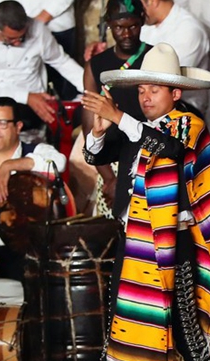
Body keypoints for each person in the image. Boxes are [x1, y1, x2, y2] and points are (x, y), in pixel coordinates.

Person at [81, 43, 210, 361]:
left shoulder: (188, 126)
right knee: (119, 333)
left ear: (175, 94)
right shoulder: (131, 129)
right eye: (142, 89)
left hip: (174, 246)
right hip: (133, 244)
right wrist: (97, 129)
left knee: (186, 332)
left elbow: (169, 148)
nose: (146, 96)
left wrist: (118, 118)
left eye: (155, 90)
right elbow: (98, 155)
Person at [0, 97, 66, 283]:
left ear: (18, 126)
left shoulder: (36, 150)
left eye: (2, 123)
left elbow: (58, 163)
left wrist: (11, 165)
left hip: (26, 253)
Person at [81, 0, 152, 217]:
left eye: (133, 26)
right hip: (110, 159)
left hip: (149, 155)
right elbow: (89, 122)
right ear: (109, 25)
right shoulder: (96, 65)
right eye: (119, 27)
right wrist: (109, 178)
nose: (127, 33)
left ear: (141, 22)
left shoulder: (154, 58)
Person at [0, 1, 83, 127]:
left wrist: (90, 88)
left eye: (21, 38)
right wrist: (26, 97)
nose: (18, 43)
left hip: (29, 108)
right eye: (10, 39)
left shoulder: (38, 29)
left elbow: (61, 62)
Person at [0, 0, 79, 100]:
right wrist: (11, 17)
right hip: (12, 22)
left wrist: (41, 19)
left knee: (63, 92)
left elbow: (62, 63)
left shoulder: (36, 29)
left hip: (57, 22)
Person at [139, 0, 210, 116]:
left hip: (185, 109)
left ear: (152, 1)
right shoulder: (146, 27)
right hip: (150, 102)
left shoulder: (189, 29)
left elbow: (170, 79)